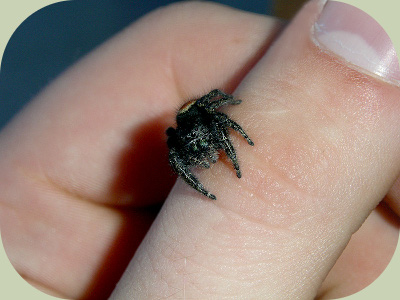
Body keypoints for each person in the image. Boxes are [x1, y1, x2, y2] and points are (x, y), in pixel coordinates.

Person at [0, 0, 399, 299]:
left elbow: (212, 120)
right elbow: (209, 127)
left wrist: (227, 143)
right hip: (198, 151)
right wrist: (216, 180)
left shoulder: (195, 120)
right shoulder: (191, 127)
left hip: (198, 149)